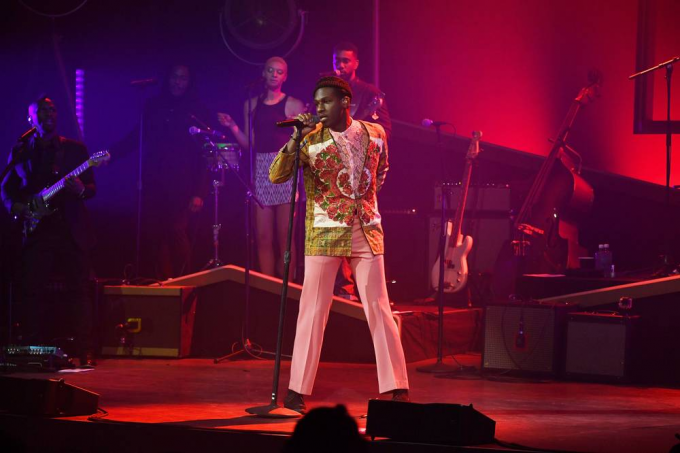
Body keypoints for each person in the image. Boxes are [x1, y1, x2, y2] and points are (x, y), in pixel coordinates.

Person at [270, 76, 409, 414]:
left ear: (345, 101)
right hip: (324, 230)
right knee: (313, 309)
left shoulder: (375, 133)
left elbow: (382, 171)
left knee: (378, 306)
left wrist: (362, 203)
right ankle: (296, 392)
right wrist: (294, 139)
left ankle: (397, 387)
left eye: (326, 101)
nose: (319, 107)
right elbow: (277, 175)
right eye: (316, 102)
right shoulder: (309, 138)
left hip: (366, 228)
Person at [1, 96, 96, 365]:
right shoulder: (21, 150)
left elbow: (91, 188)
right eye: (42, 111)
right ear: (31, 119)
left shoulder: (75, 150)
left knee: (78, 290)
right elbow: (6, 188)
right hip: (38, 231)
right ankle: (33, 350)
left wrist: (80, 190)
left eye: (52, 110)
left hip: (70, 229)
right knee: (32, 290)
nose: (48, 114)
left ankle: (85, 351)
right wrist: (20, 207)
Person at [218, 56, 306, 278]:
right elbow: (250, 144)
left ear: (285, 76)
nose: (274, 75)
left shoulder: (294, 104)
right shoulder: (252, 104)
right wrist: (233, 126)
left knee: (285, 238)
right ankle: (268, 290)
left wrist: (299, 128)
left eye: (279, 72)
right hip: (261, 168)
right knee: (264, 237)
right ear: (263, 73)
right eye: (270, 70)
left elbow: (306, 142)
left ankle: (286, 288)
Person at [332, 41, 392, 300]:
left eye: (346, 60)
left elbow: (385, 130)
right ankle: (343, 289)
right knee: (336, 229)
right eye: (337, 60)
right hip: (333, 169)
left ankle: (368, 290)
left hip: (361, 172)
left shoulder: (370, 93)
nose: (341, 64)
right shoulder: (326, 90)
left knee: (362, 230)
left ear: (356, 63)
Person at [138, 64, 210, 280]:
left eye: (183, 78)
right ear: (167, 78)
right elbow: (138, 136)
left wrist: (200, 192)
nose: (178, 82)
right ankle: (162, 282)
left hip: (183, 183)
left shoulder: (195, 110)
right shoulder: (154, 106)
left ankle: (182, 281)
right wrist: (112, 154)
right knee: (156, 234)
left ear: (189, 82)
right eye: (174, 77)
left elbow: (204, 154)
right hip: (155, 180)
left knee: (176, 230)